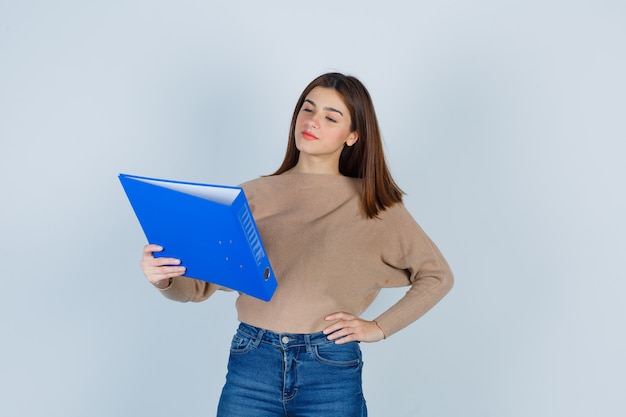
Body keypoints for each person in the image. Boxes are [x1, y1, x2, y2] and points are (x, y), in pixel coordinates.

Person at [140, 72, 454, 416]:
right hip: (252, 362)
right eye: (308, 109)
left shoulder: (375, 203)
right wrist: (165, 279)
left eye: (330, 117)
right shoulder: (249, 196)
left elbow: (437, 275)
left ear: (353, 136)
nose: (313, 121)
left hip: (329, 368)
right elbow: (198, 286)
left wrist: (378, 328)